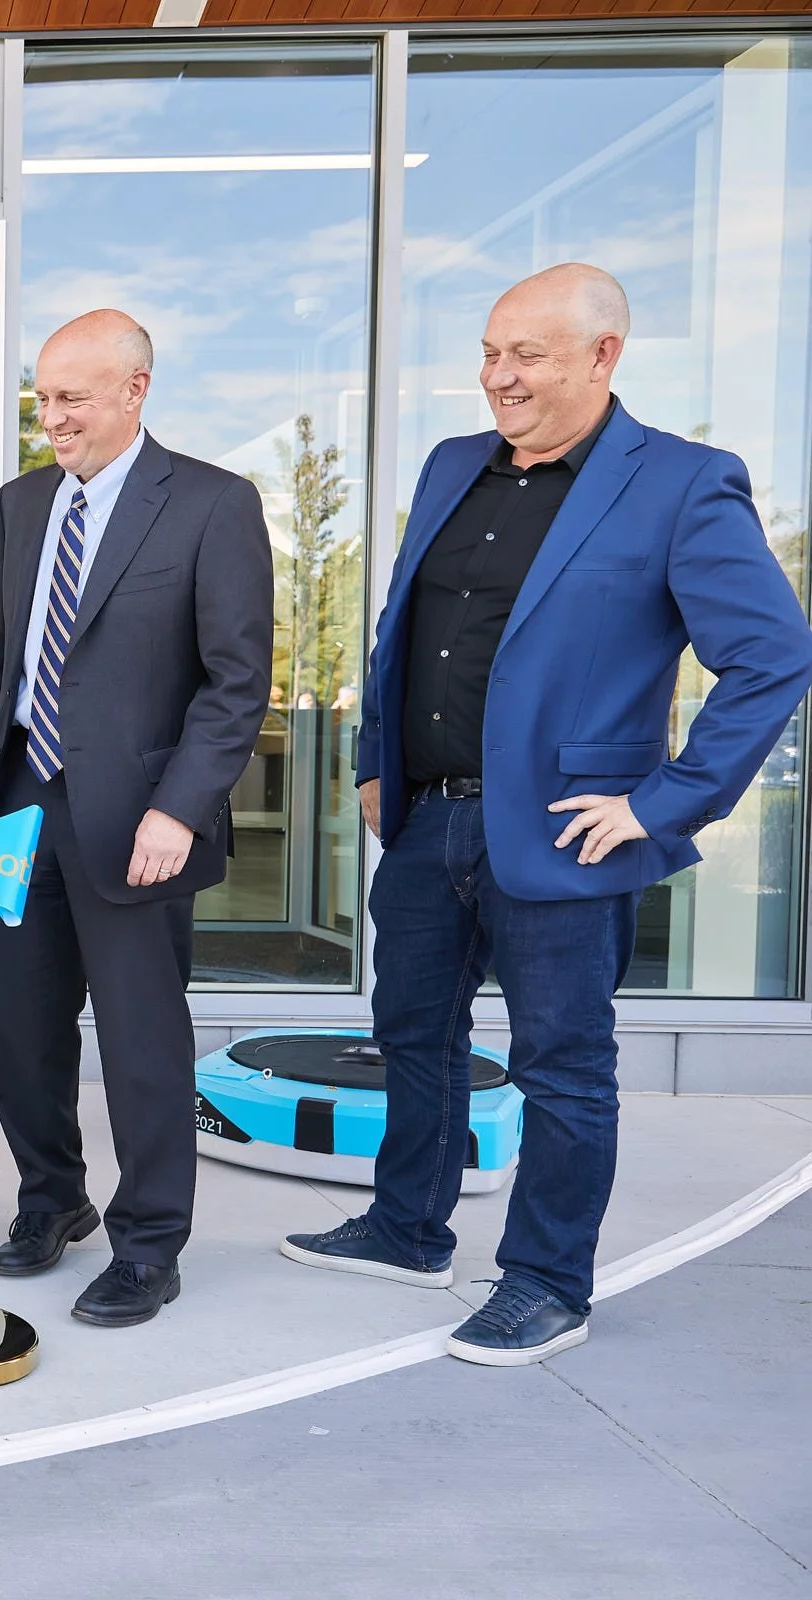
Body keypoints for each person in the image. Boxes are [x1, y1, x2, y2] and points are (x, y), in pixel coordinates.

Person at [280, 265, 812, 1363]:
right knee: (410, 1034)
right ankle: (407, 1226)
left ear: (603, 356)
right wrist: (381, 762)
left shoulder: (682, 482)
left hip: (572, 831)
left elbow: (772, 656)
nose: (499, 376)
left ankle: (545, 1281)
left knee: (563, 1064)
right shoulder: (449, 467)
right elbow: (401, 626)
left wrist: (666, 803)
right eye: (489, 352)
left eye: (527, 354)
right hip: (428, 821)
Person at [0, 309, 272, 1329]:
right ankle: (51, 1202)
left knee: (142, 1042)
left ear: (136, 390)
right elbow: (13, 661)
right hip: (21, 804)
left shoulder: (210, 504)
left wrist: (181, 809)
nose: (52, 418)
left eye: (73, 399)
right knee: (20, 1031)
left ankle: (150, 1243)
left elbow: (236, 683)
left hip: (140, 819)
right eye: (43, 398)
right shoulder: (21, 504)